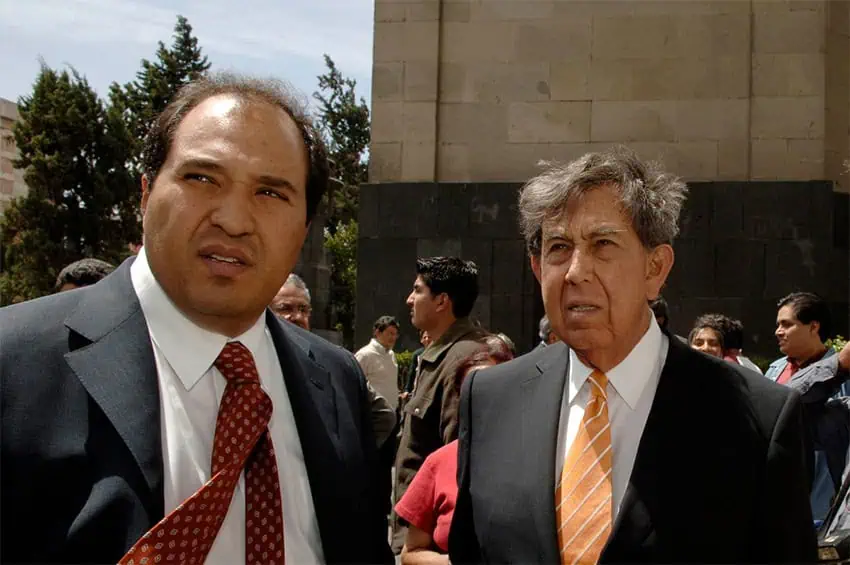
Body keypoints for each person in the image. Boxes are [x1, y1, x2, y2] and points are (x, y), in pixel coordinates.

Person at [0, 73, 392, 564]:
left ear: (304, 228)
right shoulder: (14, 364)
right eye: (202, 178)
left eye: (270, 193)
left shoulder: (336, 381)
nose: (233, 219)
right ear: (145, 193)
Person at [449, 147, 816, 563]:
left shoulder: (758, 418)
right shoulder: (490, 399)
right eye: (558, 247)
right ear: (537, 269)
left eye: (602, 244)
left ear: (655, 269)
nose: (575, 271)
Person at [392, 256, 491, 554]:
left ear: (441, 301)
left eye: (418, 290)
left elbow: (458, 465)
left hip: (435, 546)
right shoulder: (439, 355)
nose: (409, 299)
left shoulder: (466, 360)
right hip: (417, 534)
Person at [395, 337, 514, 564]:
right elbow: (411, 552)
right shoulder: (439, 463)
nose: (485, 399)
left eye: (495, 388)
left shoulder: (540, 459)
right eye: (473, 390)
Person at [270, 275, 397, 448]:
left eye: (303, 309)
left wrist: (349, 458)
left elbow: (383, 416)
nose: (297, 316)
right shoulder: (249, 360)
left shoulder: (337, 363)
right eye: (285, 309)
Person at [765, 292, 844, 522]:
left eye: (787, 324)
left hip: (819, 501)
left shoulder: (840, 374)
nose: (778, 331)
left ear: (813, 327)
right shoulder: (775, 370)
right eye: (778, 324)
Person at [355, 316, 401, 411]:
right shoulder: (364, 355)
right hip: (374, 414)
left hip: (393, 412)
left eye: (396, 334)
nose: (393, 338)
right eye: (390, 333)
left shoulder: (391, 355)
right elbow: (354, 385)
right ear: (377, 332)